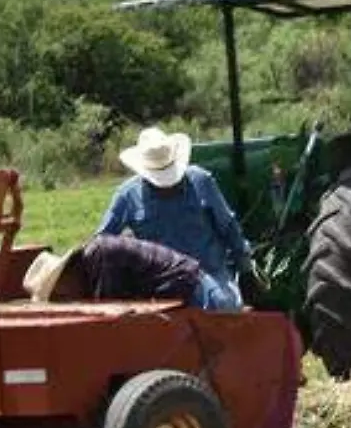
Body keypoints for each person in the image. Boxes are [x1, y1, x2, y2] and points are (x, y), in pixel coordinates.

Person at [96, 126, 254, 309]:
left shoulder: (201, 181)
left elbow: (228, 226)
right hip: (160, 281)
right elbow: (103, 243)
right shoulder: (127, 195)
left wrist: (246, 270)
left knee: (222, 306)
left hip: (208, 272)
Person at [23, 234, 242, 312]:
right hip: (183, 287)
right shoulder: (95, 261)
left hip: (193, 289)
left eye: (61, 296)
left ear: (66, 277)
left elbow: (112, 311)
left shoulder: (101, 256)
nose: (69, 301)